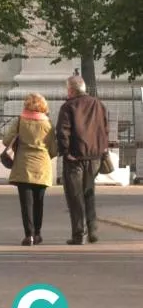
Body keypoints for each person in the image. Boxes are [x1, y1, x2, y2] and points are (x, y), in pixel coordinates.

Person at [56, 75, 109, 245]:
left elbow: (63, 131)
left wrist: (65, 152)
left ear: (71, 90)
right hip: (95, 156)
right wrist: (103, 149)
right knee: (89, 192)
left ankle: (79, 234)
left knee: (75, 196)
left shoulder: (67, 107)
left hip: (75, 157)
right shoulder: (98, 104)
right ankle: (92, 231)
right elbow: (105, 128)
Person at [2, 93, 58, 246]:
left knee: (26, 203)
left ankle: (29, 235)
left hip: (23, 166)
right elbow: (53, 149)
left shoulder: (20, 120)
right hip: (42, 167)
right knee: (39, 202)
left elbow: (6, 140)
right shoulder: (48, 124)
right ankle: (38, 233)